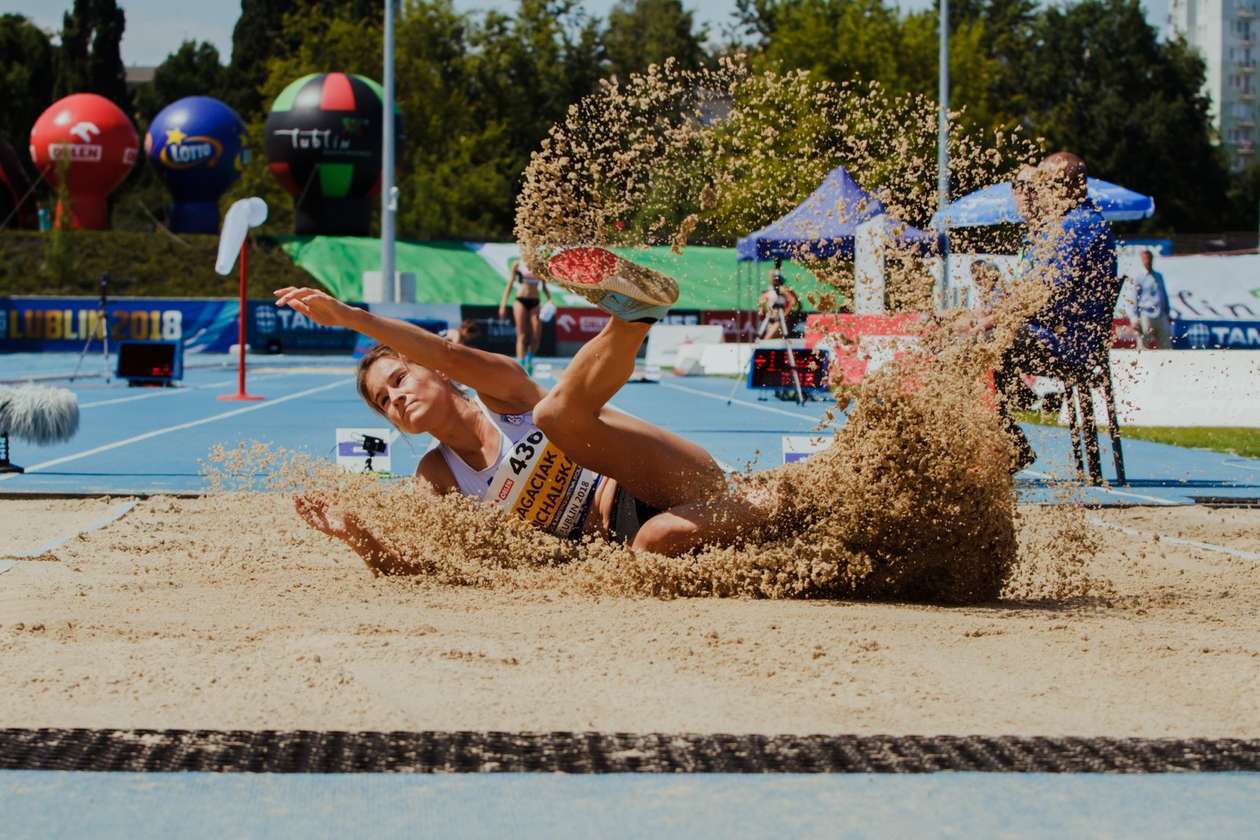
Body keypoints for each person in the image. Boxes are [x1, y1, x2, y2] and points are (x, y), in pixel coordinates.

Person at [275, 248, 774, 573]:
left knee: (553, 415)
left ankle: (633, 317)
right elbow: (425, 567)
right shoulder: (438, 475)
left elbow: (447, 353)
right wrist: (358, 539)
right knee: (654, 541)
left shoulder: (503, 396)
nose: (397, 398)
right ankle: (786, 507)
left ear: (436, 372)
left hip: (654, 478)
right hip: (634, 539)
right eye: (385, 402)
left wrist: (349, 316)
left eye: (400, 379)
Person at [993, 152, 1118, 471]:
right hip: (1058, 336)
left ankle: (1008, 442)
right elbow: (1037, 292)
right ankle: (1004, 433)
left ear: (1076, 186)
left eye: (1049, 184)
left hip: (1068, 343)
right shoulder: (1066, 224)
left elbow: (1047, 294)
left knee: (984, 350)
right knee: (986, 346)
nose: (1042, 191)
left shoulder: (1077, 225)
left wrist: (991, 319)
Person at [498, 259, 552, 375]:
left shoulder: (540, 264)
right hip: (520, 300)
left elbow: (544, 287)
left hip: (535, 302)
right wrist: (503, 304)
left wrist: (550, 300)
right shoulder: (518, 264)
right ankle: (521, 364)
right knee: (522, 335)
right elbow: (510, 284)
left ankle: (529, 357)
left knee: (536, 334)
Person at [1126, 250, 1172, 350]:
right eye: (1145, 259)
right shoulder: (1138, 277)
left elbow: (1163, 295)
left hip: (1160, 314)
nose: (1148, 261)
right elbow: (1133, 298)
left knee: (1166, 345)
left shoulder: (1158, 276)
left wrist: (1167, 313)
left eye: (1150, 258)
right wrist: (1133, 318)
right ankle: (1142, 364)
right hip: (1145, 315)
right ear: (1142, 260)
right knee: (1143, 346)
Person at [757, 259, 801, 339]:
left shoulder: (783, 289)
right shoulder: (769, 290)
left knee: (767, 339)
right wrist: (761, 307)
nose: (774, 279)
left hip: (781, 321)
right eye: (772, 277)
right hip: (771, 320)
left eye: (775, 277)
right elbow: (762, 303)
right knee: (771, 343)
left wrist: (785, 314)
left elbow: (793, 302)